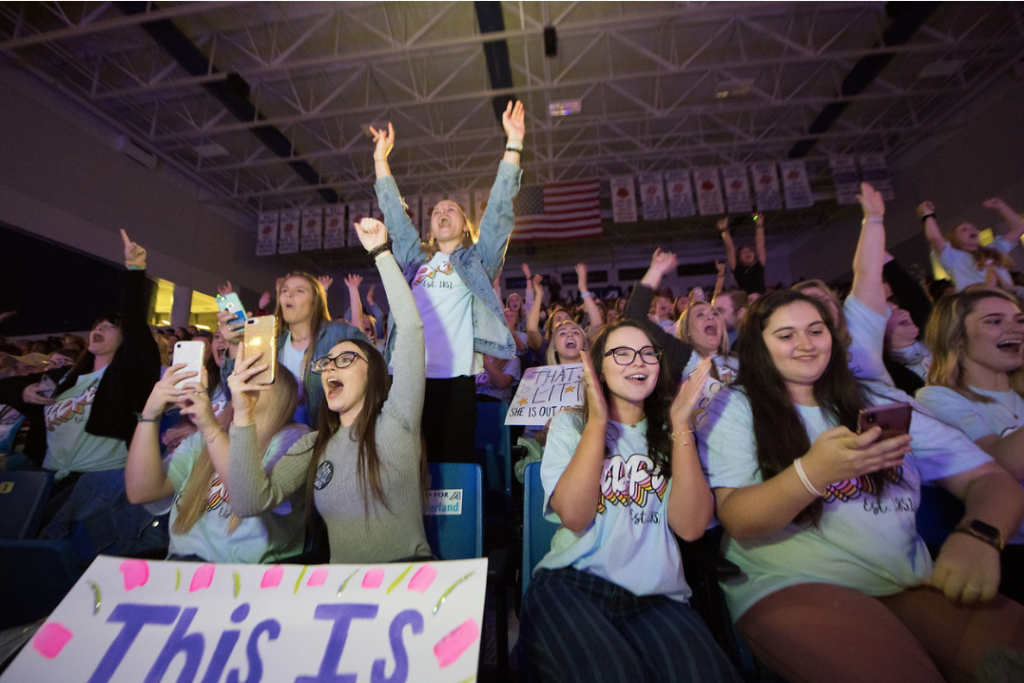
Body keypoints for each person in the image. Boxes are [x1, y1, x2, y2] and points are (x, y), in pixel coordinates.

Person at [699, 290, 1024, 683]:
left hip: (906, 578)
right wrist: (812, 473)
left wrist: (981, 536)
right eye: (785, 335)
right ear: (758, 348)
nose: (805, 344)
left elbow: (989, 477)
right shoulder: (735, 407)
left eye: (815, 330)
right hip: (796, 583)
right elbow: (738, 518)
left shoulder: (880, 398)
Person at [519, 320, 740, 683]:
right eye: (620, 353)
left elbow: (691, 526)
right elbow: (575, 516)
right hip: (572, 584)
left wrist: (681, 425)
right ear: (599, 369)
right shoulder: (570, 425)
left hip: (657, 596)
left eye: (647, 353)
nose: (636, 361)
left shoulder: (672, 433)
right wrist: (598, 421)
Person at [228, 218, 432, 564]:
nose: (331, 368)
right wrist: (244, 415)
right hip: (341, 595)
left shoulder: (398, 421)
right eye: (326, 363)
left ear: (374, 376)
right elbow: (249, 503)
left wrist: (381, 252)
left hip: (405, 584)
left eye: (346, 359)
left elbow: (411, 329)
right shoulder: (313, 443)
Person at [371, 101, 524, 464]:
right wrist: (380, 159)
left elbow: (500, 211)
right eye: (437, 210)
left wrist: (514, 143)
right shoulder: (414, 260)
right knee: (406, 466)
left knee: (452, 465)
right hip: (406, 377)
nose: (442, 211)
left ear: (465, 226)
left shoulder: (476, 261)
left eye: (451, 209)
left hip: (456, 382)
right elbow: (394, 214)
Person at [0, 230, 161, 484]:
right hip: (45, 477)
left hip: (99, 481)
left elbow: (134, 323)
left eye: (109, 327)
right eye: (97, 325)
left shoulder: (129, 378)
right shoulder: (63, 378)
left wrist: (134, 270)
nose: (98, 329)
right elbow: (5, 386)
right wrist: (22, 392)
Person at [125, 364, 308, 563]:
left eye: (258, 376)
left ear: (283, 392)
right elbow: (141, 492)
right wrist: (150, 414)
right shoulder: (200, 441)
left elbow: (249, 498)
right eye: (241, 375)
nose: (245, 381)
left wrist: (210, 427)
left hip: (246, 577)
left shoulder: (294, 438)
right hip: (182, 566)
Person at [916, 288, 1024, 603]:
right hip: (1010, 551)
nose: (1016, 328)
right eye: (995, 321)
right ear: (957, 338)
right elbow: (1002, 463)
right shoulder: (937, 398)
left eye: (1020, 319)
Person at [219, 272, 367, 428]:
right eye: (284, 291)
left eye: (299, 291)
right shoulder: (270, 344)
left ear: (315, 301)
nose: (289, 294)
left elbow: (373, 379)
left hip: (326, 439)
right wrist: (234, 344)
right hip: (279, 442)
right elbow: (233, 397)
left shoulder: (340, 333)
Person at [792, 183, 893, 385]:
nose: (819, 306)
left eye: (822, 299)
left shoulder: (859, 325)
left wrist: (873, 219)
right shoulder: (797, 353)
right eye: (811, 303)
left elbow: (868, 273)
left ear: (836, 303)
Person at [920, 197, 1024, 293]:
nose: (972, 229)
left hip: (1008, 300)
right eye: (964, 229)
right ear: (955, 239)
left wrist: (1001, 206)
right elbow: (935, 237)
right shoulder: (952, 256)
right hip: (980, 304)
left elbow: (1019, 228)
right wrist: (928, 215)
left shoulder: (993, 249)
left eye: (974, 227)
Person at [717, 213, 767, 295]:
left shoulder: (759, 264)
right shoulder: (736, 267)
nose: (748, 253)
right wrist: (724, 230)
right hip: (745, 302)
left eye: (750, 251)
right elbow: (730, 248)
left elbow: (760, 245)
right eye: (744, 252)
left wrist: (759, 224)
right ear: (739, 258)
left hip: (761, 300)